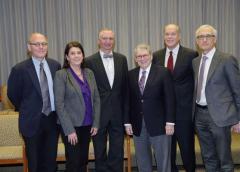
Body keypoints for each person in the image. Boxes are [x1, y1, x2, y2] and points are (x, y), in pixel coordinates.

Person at [7, 32, 61, 172]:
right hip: (31, 122)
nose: (41, 47)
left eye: (44, 44)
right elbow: (13, 95)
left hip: (52, 121)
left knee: (50, 163)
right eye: (36, 44)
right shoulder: (19, 69)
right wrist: (28, 108)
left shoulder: (55, 65)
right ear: (29, 47)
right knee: (35, 164)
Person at [193, 24, 240, 172]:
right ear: (197, 41)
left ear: (215, 39)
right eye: (201, 37)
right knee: (208, 158)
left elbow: (237, 90)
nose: (204, 40)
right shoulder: (195, 62)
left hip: (220, 117)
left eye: (208, 36)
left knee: (224, 159)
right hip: (199, 116)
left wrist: (238, 118)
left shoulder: (226, 59)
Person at [152, 24, 197, 172]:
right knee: (167, 153)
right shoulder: (157, 55)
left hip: (183, 113)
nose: (169, 37)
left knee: (187, 151)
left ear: (179, 36)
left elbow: (197, 81)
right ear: (163, 36)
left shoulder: (191, 55)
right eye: (167, 34)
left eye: (173, 34)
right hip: (163, 113)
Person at [125, 43, 175, 172]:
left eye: (145, 55)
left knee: (163, 161)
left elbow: (170, 99)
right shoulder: (130, 75)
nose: (142, 58)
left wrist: (170, 122)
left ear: (151, 56)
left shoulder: (163, 72)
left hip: (160, 124)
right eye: (139, 56)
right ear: (135, 59)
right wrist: (127, 122)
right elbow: (127, 100)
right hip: (137, 125)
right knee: (142, 160)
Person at [85, 28, 129, 172]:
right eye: (104, 38)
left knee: (117, 150)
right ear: (99, 41)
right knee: (99, 150)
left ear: (114, 41)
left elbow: (125, 88)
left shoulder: (122, 59)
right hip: (99, 113)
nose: (108, 41)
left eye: (110, 38)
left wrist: (126, 114)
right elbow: (88, 91)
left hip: (118, 112)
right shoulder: (89, 61)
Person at [54, 41, 100, 172]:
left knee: (83, 160)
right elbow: (59, 104)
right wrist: (69, 130)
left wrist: (96, 123)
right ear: (67, 57)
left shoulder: (89, 73)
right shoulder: (61, 74)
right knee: (74, 161)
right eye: (72, 53)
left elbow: (96, 99)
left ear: (83, 55)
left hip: (87, 125)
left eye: (79, 52)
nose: (76, 56)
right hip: (71, 126)